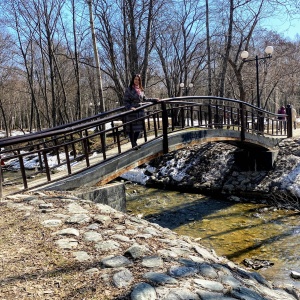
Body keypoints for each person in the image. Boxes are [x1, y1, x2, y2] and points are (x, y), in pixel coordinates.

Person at [123, 74, 160, 149]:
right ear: (133, 80)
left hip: (140, 112)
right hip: (132, 112)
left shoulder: (141, 90)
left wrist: (154, 99)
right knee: (131, 129)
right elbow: (125, 101)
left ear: (140, 81)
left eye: (138, 80)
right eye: (135, 79)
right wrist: (130, 107)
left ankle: (134, 142)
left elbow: (145, 99)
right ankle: (134, 144)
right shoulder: (129, 89)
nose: (137, 81)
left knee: (139, 129)